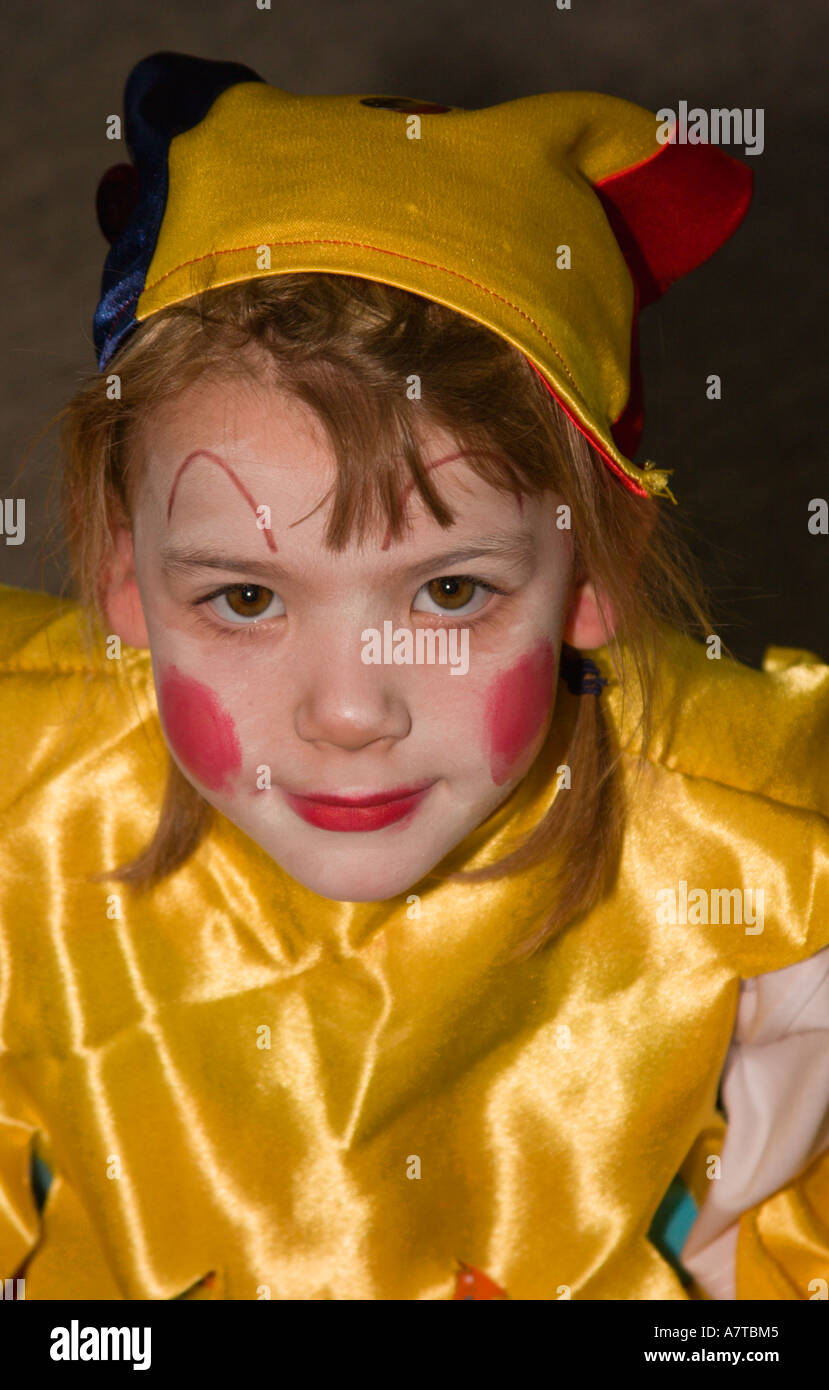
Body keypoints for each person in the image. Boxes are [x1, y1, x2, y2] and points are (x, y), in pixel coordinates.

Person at [0, 51, 826, 1301]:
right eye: (244, 596)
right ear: (124, 570)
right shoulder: (26, 792)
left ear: (594, 568)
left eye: (449, 592)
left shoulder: (767, 865)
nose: (347, 712)